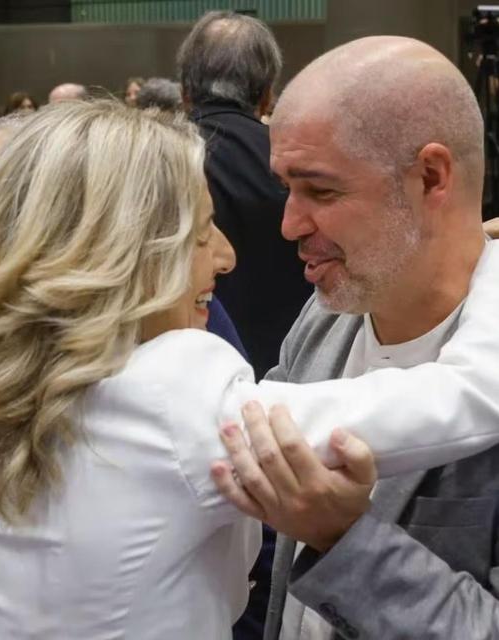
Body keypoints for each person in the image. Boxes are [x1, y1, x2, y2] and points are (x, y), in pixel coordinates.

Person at [0, 99, 499, 639]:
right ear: (125, 253)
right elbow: (470, 396)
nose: (226, 256)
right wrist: (487, 262)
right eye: (201, 233)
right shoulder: (171, 390)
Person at [209, 36, 499, 640]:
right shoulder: (329, 315)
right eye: (286, 188)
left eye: (321, 191)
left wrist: (343, 538)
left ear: (431, 177)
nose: (289, 224)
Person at [178, 11, 312, 381]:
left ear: (184, 93)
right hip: (293, 362)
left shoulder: (155, 165)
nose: (225, 258)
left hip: (189, 370)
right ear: (268, 96)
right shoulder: (302, 164)